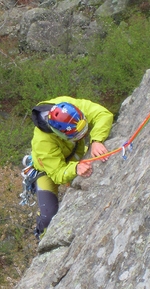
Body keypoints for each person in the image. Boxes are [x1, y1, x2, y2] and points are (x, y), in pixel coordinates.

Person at [30, 96, 113, 240]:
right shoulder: (43, 141)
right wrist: (75, 169)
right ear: (59, 134)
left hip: (75, 153)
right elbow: (56, 173)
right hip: (48, 169)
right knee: (49, 215)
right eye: (78, 135)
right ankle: (41, 234)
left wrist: (97, 140)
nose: (83, 136)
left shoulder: (70, 108)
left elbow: (103, 114)